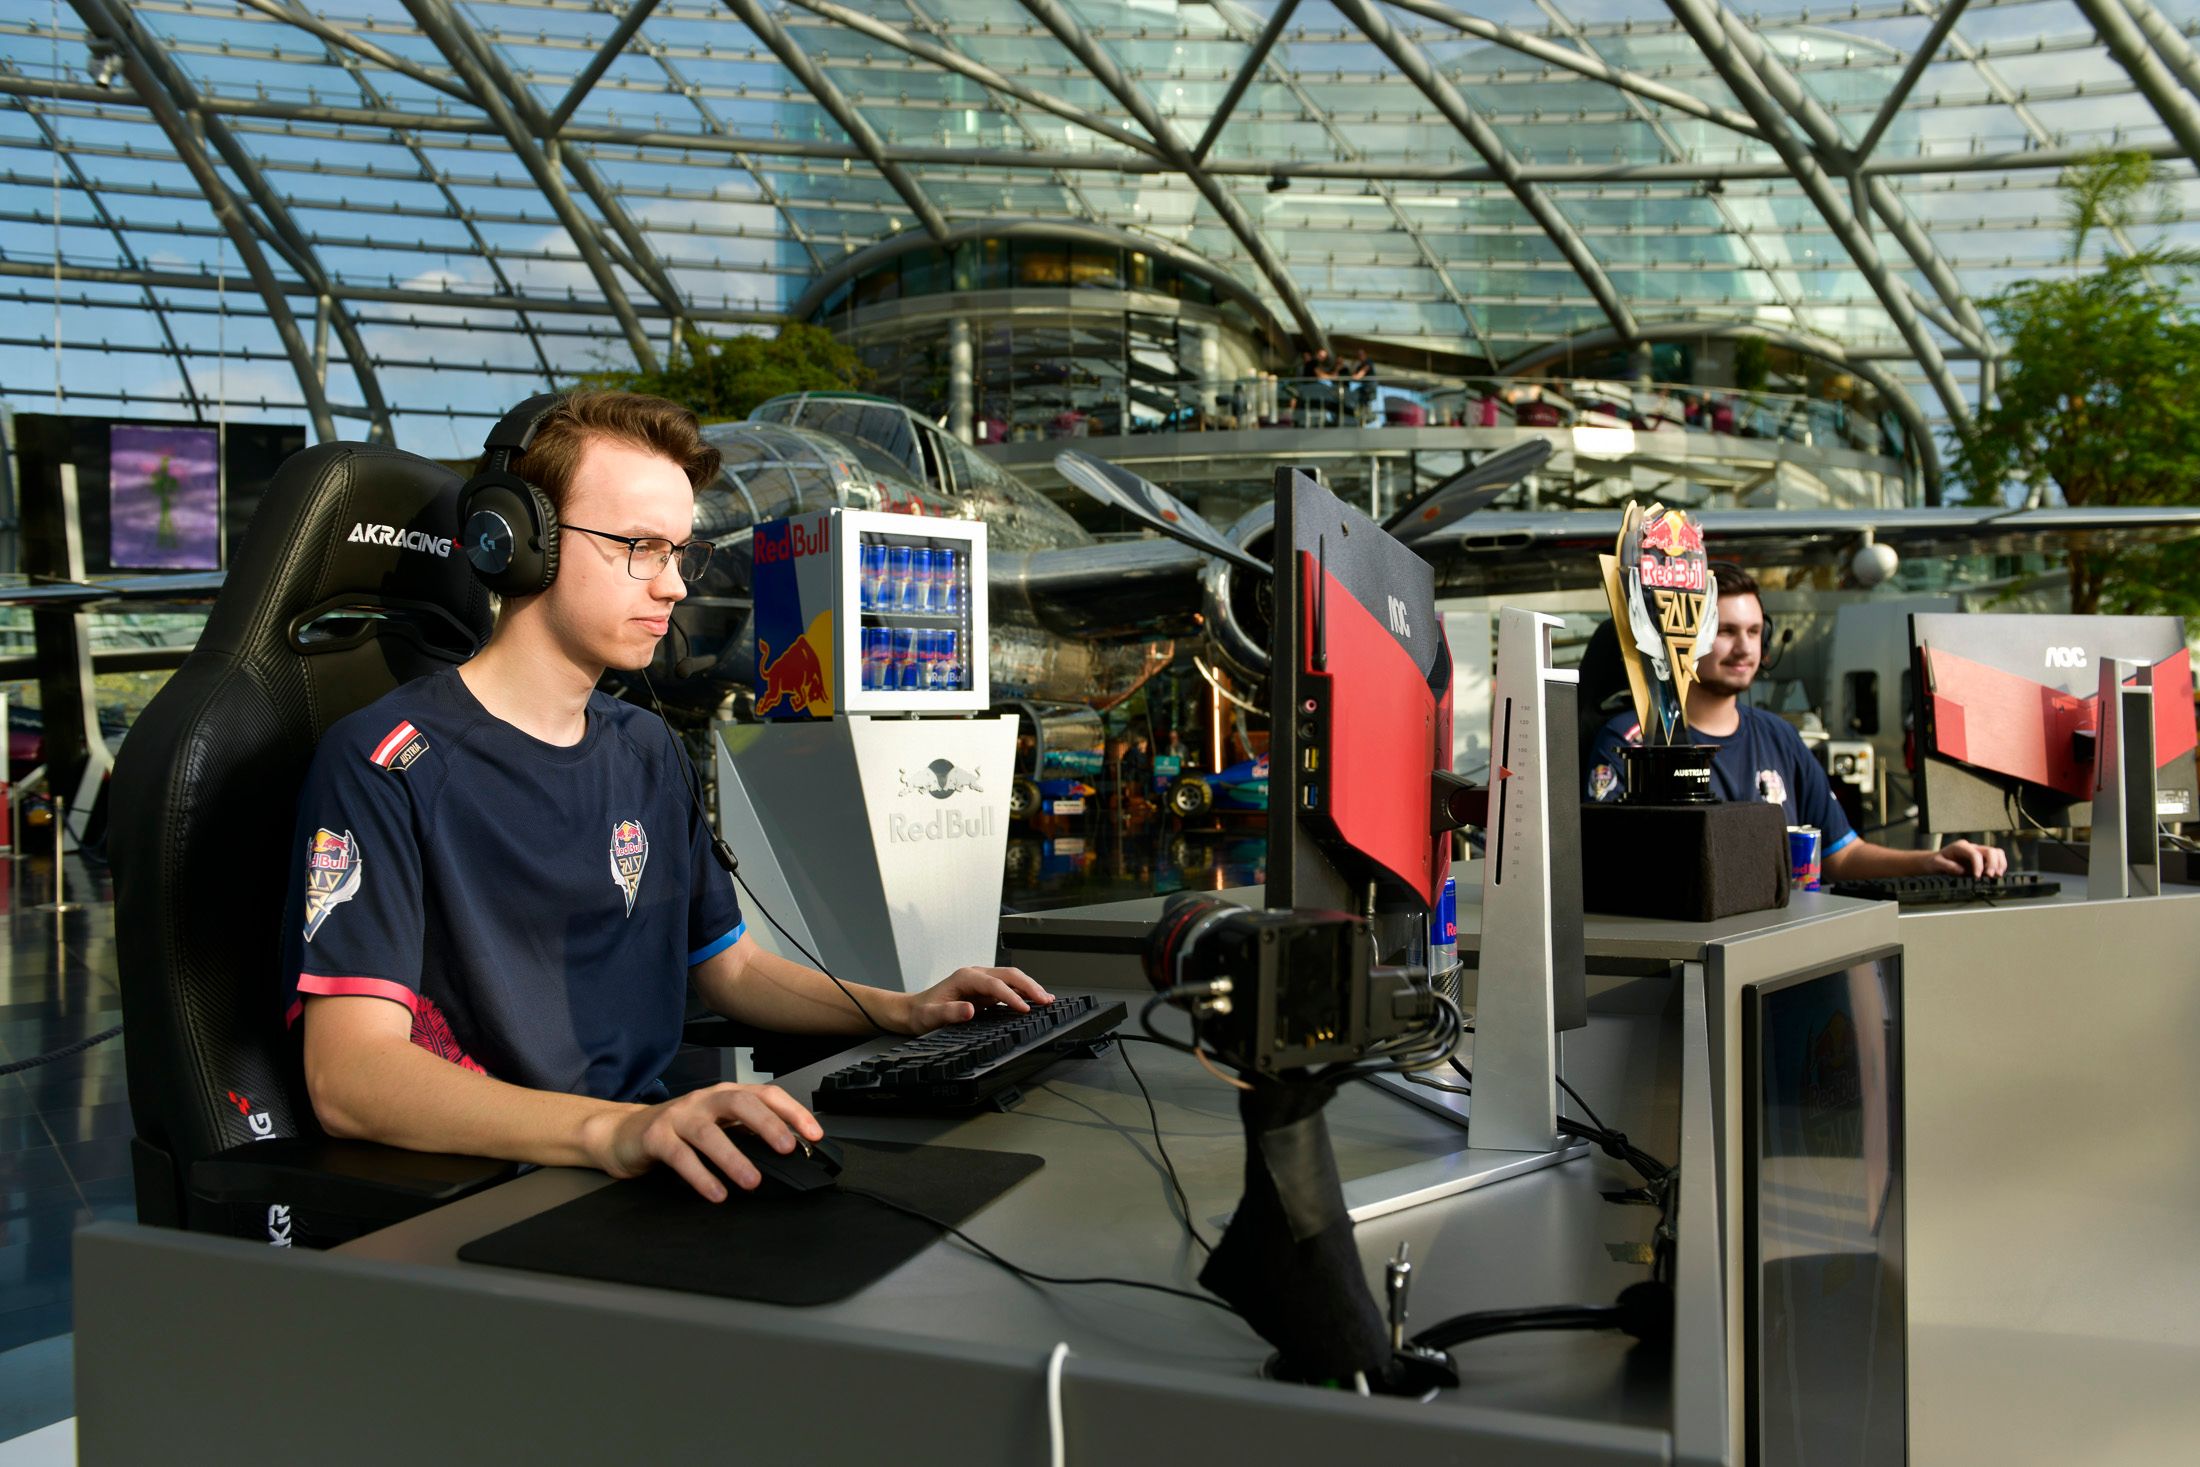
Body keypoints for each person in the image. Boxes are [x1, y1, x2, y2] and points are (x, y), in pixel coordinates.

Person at [283, 391, 1053, 1204]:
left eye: (679, 551)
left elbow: (732, 969)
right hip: (505, 1189)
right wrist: (612, 1130)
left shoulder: (646, 748)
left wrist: (902, 1010)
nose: (676, 585)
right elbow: (350, 1077)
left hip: (655, 1160)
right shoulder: (387, 763)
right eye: (641, 547)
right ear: (518, 545)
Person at [1585, 568, 2008, 880]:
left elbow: (1841, 855)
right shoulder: (1634, 742)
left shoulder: (1779, 735)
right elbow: (1610, 869)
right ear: (1681, 640)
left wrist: (1932, 862)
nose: (1745, 647)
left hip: (1786, 954)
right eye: (1725, 631)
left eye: (1754, 631)